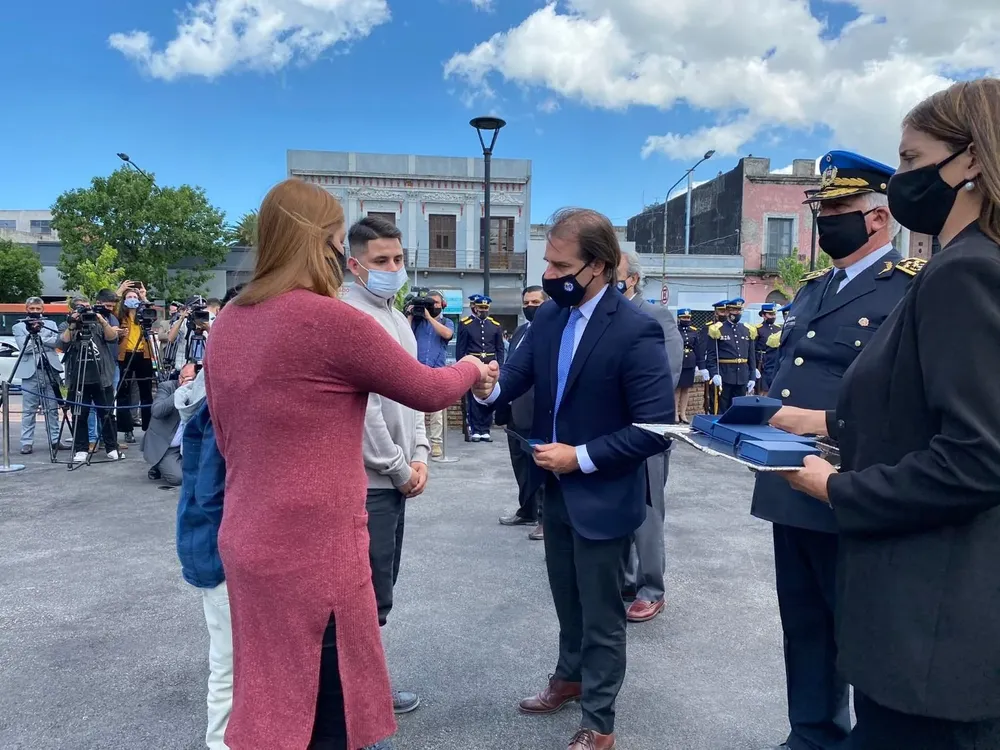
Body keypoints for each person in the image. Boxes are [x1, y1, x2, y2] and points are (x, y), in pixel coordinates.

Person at [202, 178, 491, 750]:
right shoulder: (328, 321)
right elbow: (427, 390)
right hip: (314, 547)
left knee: (272, 692)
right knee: (325, 709)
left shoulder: (230, 320)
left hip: (247, 535)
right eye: (339, 240)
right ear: (325, 243)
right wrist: (473, 367)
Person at [781, 78, 1000, 750]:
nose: (901, 178)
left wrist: (837, 487)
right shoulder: (961, 265)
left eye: (909, 160)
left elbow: (978, 457)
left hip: (932, 634)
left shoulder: (965, 272)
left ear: (967, 161)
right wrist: (831, 428)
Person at [474, 208, 674, 750]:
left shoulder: (637, 330)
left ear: (600, 266)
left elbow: (656, 430)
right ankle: (568, 677)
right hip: (555, 490)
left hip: (602, 491)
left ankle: (599, 721)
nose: (550, 274)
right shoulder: (549, 319)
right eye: (547, 262)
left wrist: (580, 457)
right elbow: (515, 379)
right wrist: (485, 384)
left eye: (561, 265)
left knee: (602, 611)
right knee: (566, 597)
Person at [751, 149, 914, 750]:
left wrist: (822, 421)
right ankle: (811, 735)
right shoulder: (813, 290)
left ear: (877, 218)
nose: (825, 220)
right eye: (822, 208)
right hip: (787, 478)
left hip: (851, 478)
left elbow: (907, 400)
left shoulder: (907, 291)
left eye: (839, 207)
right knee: (804, 623)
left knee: (861, 630)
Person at [343, 216, 426, 715]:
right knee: (364, 595)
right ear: (355, 265)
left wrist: (418, 455)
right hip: (368, 483)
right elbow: (366, 409)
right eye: (381, 261)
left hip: (395, 479)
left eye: (397, 259)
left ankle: (364, 686)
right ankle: (360, 698)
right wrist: (397, 467)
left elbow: (412, 392)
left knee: (380, 588)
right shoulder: (351, 317)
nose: (392, 269)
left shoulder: (397, 319)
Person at [616, 248, 683, 624]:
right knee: (619, 507)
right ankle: (625, 580)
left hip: (645, 432)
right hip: (608, 436)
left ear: (634, 278)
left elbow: (667, 374)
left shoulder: (656, 317)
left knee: (647, 512)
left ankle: (651, 588)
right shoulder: (605, 317)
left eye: (616, 273)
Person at [497, 285, 548, 541]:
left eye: (536, 302)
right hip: (516, 408)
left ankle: (543, 519)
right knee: (520, 464)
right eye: (527, 303)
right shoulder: (519, 332)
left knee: (539, 465)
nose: (531, 307)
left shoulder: (552, 332)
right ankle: (526, 510)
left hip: (538, 408)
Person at [59, 294, 121, 463]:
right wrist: (73, 322)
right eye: (81, 307)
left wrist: (101, 320)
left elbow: (112, 338)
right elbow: (63, 341)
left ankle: (112, 447)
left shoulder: (97, 321)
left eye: (87, 306)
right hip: (78, 377)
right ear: (73, 309)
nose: (86, 310)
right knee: (79, 414)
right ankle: (81, 448)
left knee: (107, 413)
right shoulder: (67, 324)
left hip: (102, 376)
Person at [14, 297, 71, 455]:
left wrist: (39, 339)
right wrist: (43, 341)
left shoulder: (51, 324)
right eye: (32, 309)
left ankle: (54, 440)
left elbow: (57, 342)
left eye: (38, 309)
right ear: (26, 309)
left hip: (49, 369)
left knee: (52, 408)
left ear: (43, 310)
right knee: (29, 410)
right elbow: (24, 347)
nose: (35, 312)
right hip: (30, 372)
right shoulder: (19, 326)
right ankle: (26, 442)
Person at [409, 289, 454, 458]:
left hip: (438, 370)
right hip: (417, 368)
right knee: (416, 411)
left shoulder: (447, 322)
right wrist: (411, 313)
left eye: (436, 302)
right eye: (430, 302)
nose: (433, 305)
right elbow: (404, 331)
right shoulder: (418, 322)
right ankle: (418, 443)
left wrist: (429, 317)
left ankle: (436, 443)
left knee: (437, 412)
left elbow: (448, 334)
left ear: (442, 304)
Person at [457, 294, 505, 442]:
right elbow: (461, 348)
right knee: (474, 397)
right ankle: (476, 428)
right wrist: (462, 365)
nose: (483, 311)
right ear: (475, 308)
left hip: (490, 363)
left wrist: (500, 366)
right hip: (473, 363)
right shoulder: (466, 324)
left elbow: (500, 348)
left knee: (488, 396)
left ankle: (485, 428)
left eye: (485, 308)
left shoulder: (495, 326)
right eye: (480, 308)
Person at [142, 364, 196, 486]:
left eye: (190, 379)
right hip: (167, 445)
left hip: (189, 445)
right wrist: (179, 393)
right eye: (182, 378)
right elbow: (157, 411)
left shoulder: (200, 391)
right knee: (179, 478)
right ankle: (160, 464)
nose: (184, 381)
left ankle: (172, 465)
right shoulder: (166, 387)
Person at [115, 282, 155, 443]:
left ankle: (149, 428)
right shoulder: (120, 316)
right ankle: (127, 429)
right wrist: (119, 292)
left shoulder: (143, 313)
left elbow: (153, 315)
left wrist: (144, 296)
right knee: (123, 393)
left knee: (146, 393)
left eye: (134, 297)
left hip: (143, 354)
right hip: (125, 355)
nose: (132, 299)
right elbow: (109, 309)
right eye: (129, 297)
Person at [704, 298, 758, 414]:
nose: (737, 313)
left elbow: (751, 356)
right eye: (734, 310)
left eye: (739, 310)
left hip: (742, 375)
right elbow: (711, 356)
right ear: (728, 311)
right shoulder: (717, 329)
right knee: (722, 409)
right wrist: (714, 374)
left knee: (739, 410)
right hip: (725, 374)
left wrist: (752, 376)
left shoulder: (747, 330)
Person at [699, 299, 729, 414]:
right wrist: (702, 366)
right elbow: (702, 347)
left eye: (726, 311)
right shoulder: (708, 327)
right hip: (712, 365)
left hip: (726, 368)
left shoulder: (730, 328)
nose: (724, 314)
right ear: (715, 312)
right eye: (722, 311)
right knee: (714, 397)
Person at [673, 309, 702, 424]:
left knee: (686, 389)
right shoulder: (675, 330)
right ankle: (675, 413)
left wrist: (700, 365)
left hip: (690, 361)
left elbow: (697, 348)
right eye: (684, 318)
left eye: (688, 318)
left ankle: (683, 414)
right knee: (677, 389)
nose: (686, 320)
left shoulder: (693, 331)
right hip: (678, 361)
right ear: (679, 318)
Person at [754, 303, 781, 393]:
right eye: (770, 314)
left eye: (774, 314)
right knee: (761, 388)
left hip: (774, 361)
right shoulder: (757, 329)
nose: (773, 317)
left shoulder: (778, 329)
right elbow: (752, 349)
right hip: (762, 362)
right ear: (763, 315)